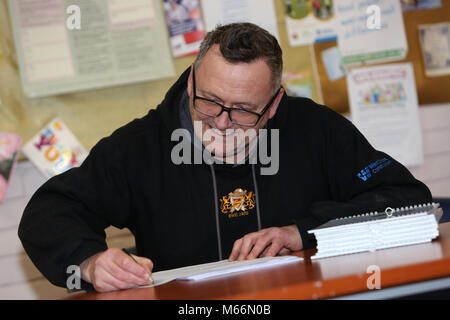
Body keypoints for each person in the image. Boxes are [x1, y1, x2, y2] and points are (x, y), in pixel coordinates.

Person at [19, 23, 432, 293]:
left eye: (242, 110)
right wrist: (90, 262)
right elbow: (50, 210)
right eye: (209, 102)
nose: (220, 122)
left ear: (273, 105)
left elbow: (405, 201)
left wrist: (303, 232)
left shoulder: (317, 130)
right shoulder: (141, 145)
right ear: (193, 78)